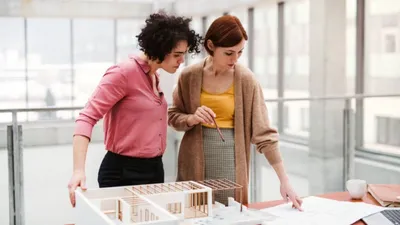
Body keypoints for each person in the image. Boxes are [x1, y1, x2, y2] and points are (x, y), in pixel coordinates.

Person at [67, 11, 202, 207]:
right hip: (123, 172)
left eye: (184, 54)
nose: (182, 61)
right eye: (177, 55)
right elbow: (86, 118)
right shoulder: (123, 74)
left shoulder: (154, 76)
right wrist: (78, 170)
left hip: (154, 169)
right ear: (159, 48)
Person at [168, 15, 303, 210]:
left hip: (230, 164)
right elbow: (173, 116)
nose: (235, 59)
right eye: (229, 53)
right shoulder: (189, 76)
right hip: (192, 164)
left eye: (240, 52)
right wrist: (192, 118)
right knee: (193, 214)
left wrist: (284, 181)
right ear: (211, 46)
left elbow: (264, 134)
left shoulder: (246, 80)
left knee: (231, 214)